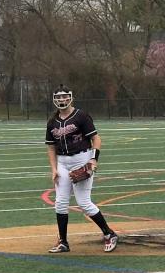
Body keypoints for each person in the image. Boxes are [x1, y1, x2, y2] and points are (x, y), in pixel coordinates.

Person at [45, 85, 118, 254]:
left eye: (65, 97)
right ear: (54, 99)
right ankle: (63, 242)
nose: (62, 100)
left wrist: (93, 159)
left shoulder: (81, 116)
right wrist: (54, 169)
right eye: (59, 97)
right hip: (62, 162)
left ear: (71, 97)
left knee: (84, 202)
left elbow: (96, 139)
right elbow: (50, 147)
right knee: (60, 203)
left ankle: (109, 234)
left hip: (82, 158)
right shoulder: (52, 122)